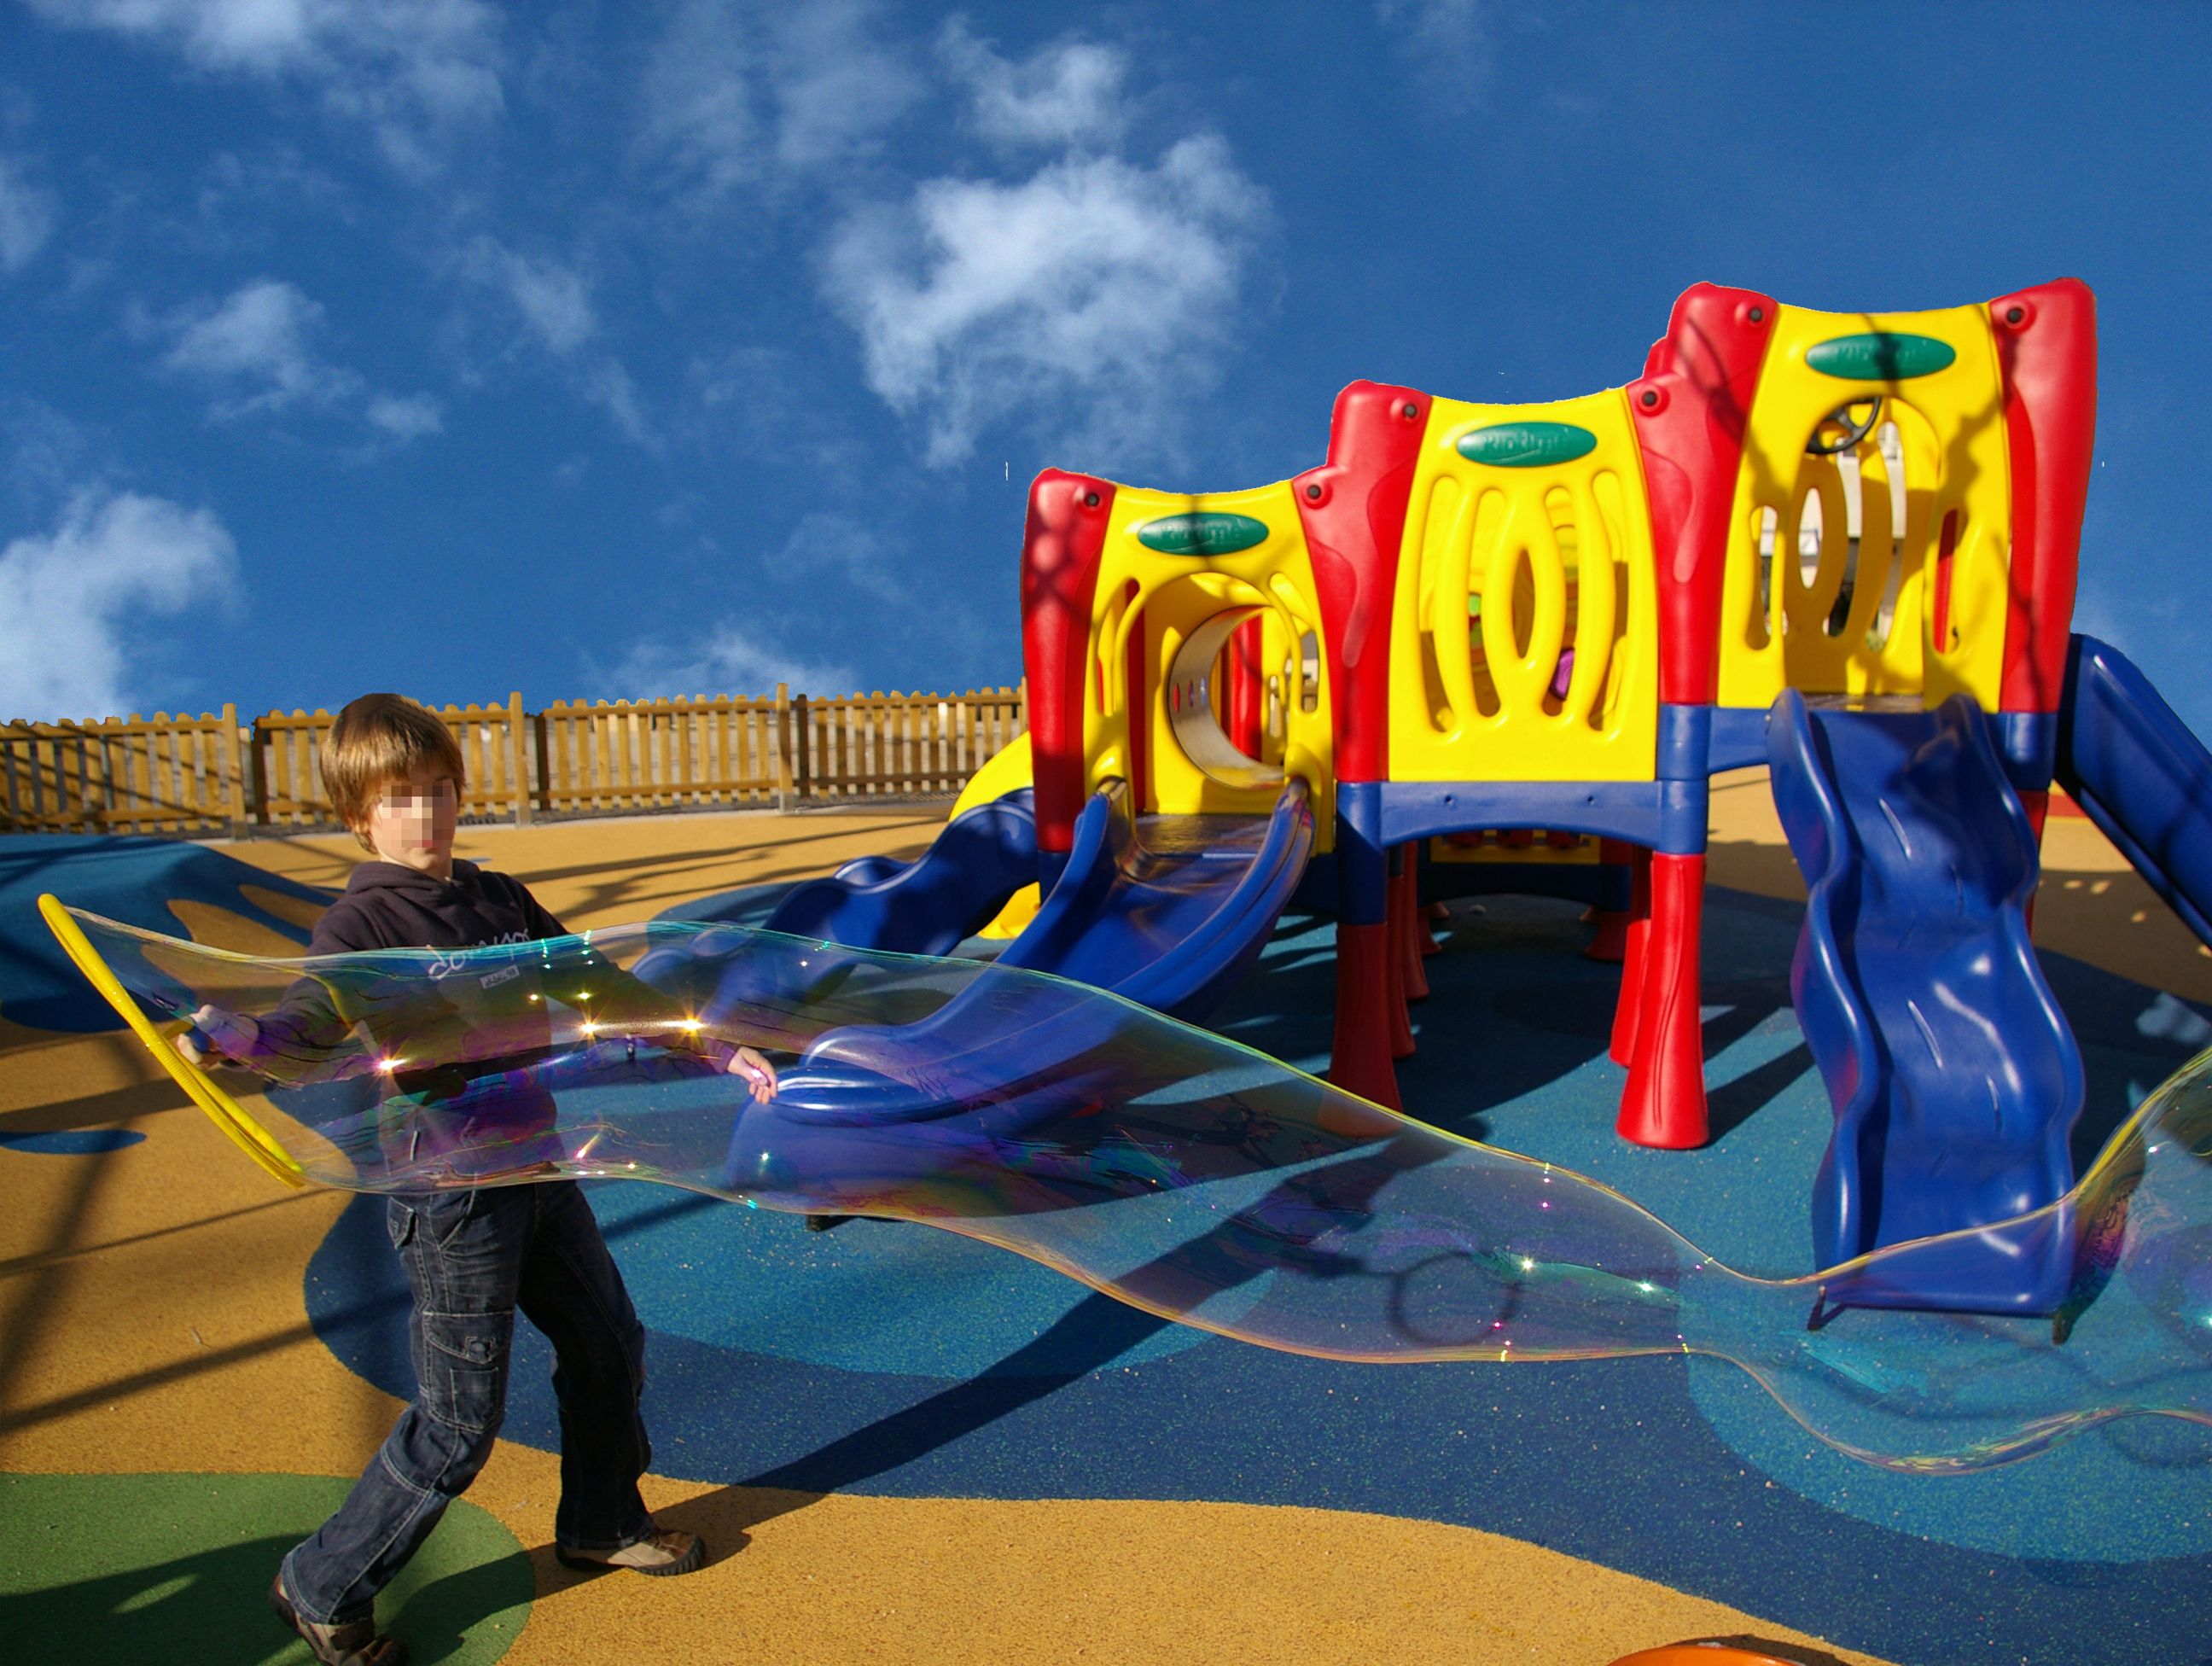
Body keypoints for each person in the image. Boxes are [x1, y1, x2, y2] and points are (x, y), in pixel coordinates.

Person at [180, 692, 777, 1666]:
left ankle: (599, 1517)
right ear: (359, 813)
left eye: (440, 790)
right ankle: (323, 1580)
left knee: (604, 1342)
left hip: (536, 1162)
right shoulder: (363, 921)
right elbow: (308, 1021)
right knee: (460, 1420)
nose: (426, 815)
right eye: (401, 797)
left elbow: (596, 984)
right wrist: (242, 1041)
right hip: (452, 1191)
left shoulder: (500, 902)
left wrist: (710, 1045)